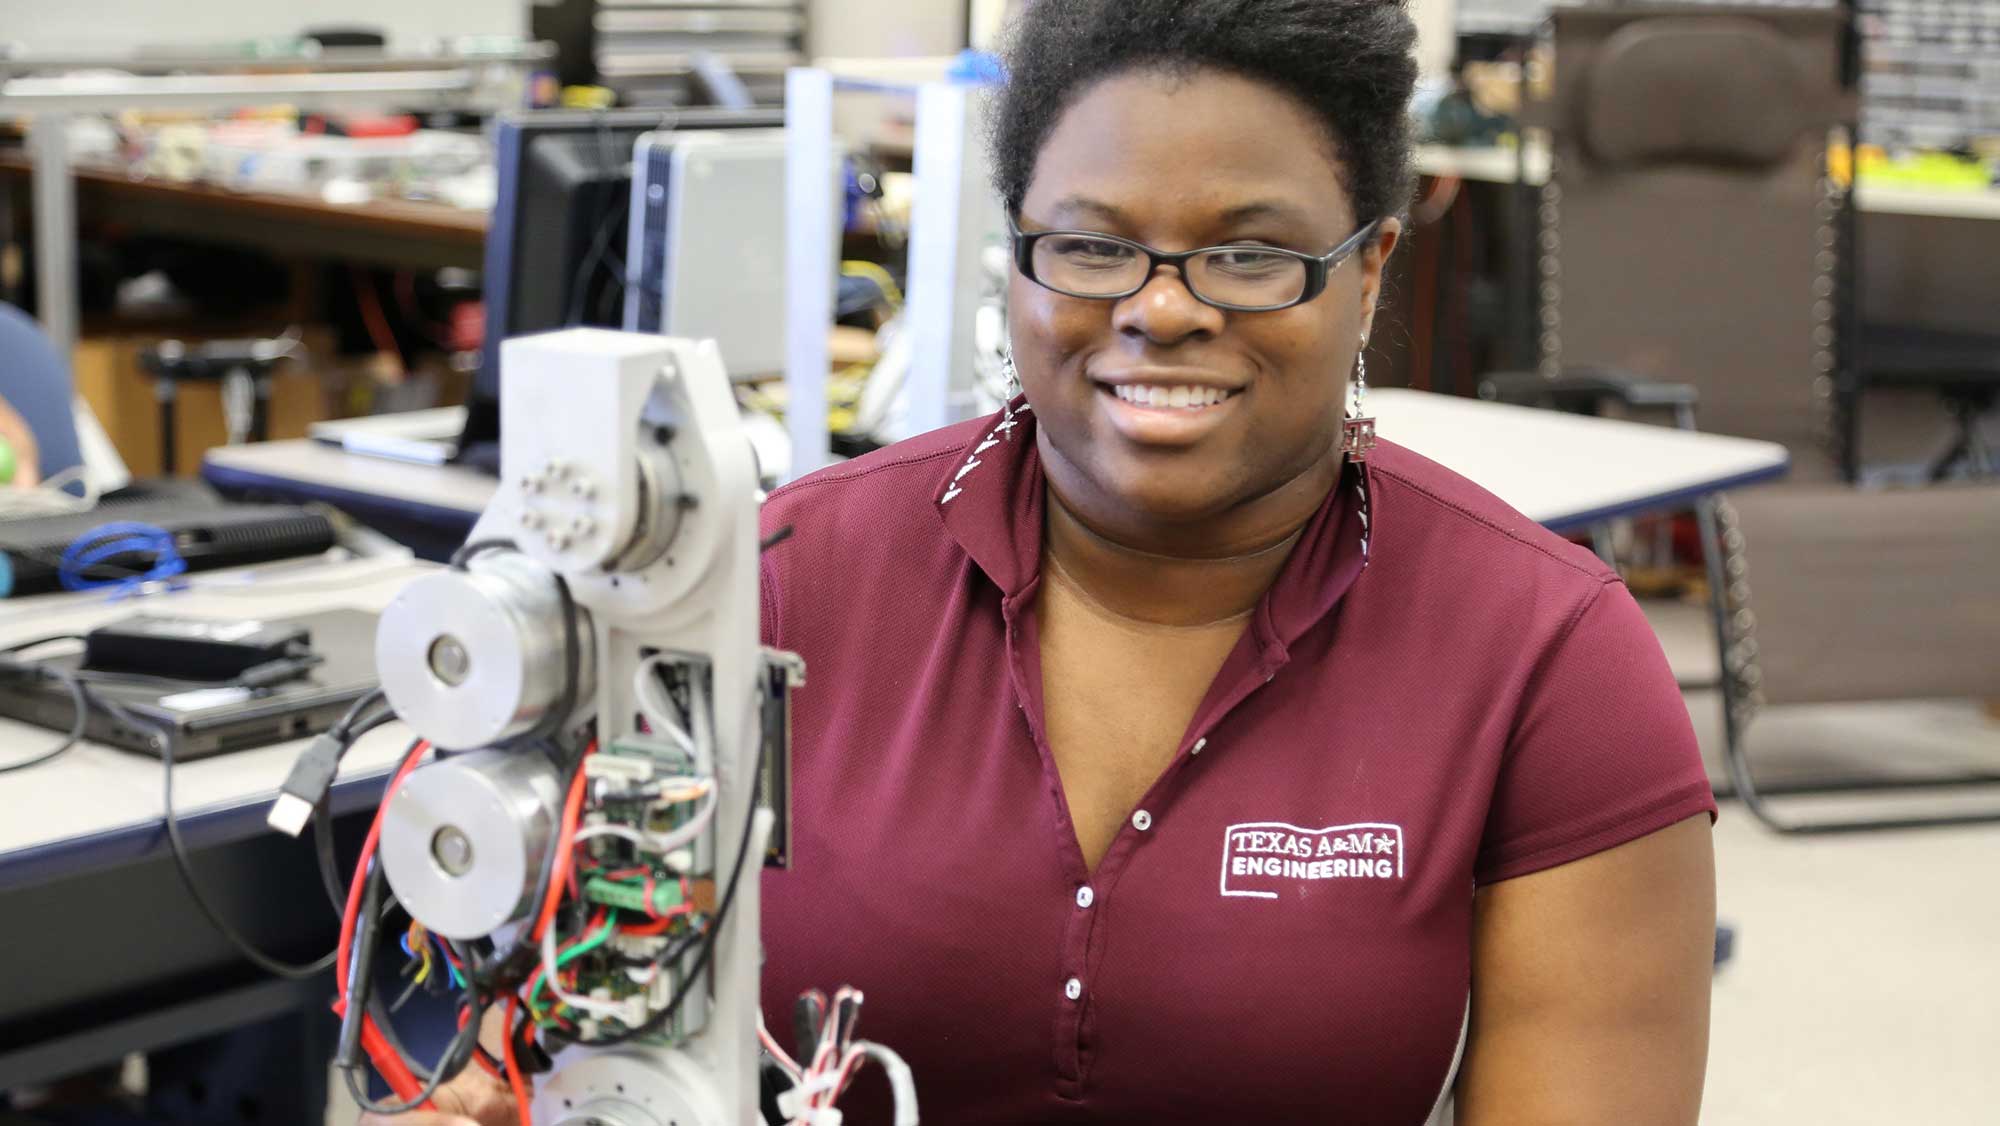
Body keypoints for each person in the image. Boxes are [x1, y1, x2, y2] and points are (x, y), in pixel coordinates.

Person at [373, 0, 1715, 1122]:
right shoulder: (771, 582)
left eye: (1248, 254)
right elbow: (561, 1015)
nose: (1161, 307)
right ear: (1013, 254)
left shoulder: (1544, 654)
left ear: (1370, 273)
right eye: (1088, 244)